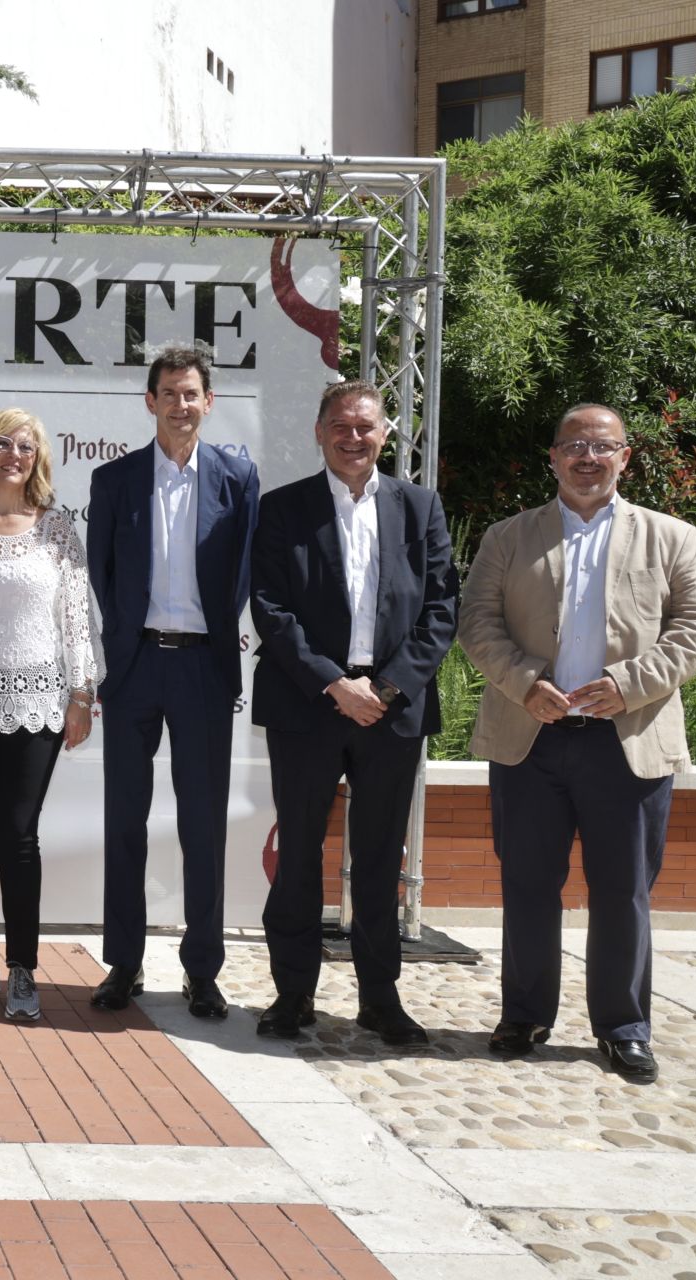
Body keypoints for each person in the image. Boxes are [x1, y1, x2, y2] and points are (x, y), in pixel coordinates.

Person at [458, 403, 696, 1084]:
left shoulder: (675, 538)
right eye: (574, 446)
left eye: (603, 447)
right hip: (531, 736)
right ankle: (524, 1016)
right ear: (553, 457)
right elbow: (476, 622)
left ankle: (623, 1027)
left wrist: (630, 684)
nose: (587, 458)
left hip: (627, 738)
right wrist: (523, 681)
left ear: (626, 457)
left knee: (623, 891)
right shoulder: (509, 537)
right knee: (529, 885)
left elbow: (694, 630)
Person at [249, 381, 457, 1044]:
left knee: (376, 861)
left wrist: (387, 690)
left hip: (391, 714)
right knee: (300, 855)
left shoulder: (419, 508)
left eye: (366, 426)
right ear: (319, 431)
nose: (353, 437)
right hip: (310, 706)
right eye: (340, 425)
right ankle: (293, 995)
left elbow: (440, 610)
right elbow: (271, 609)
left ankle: (379, 998)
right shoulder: (283, 510)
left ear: (386, 434)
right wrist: (335, 685)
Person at [85, 344, 259, 1020]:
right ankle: (123, 964)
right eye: (170, 393)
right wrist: (123, 647)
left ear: (208, 403)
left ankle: (203, 971)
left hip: (203, 668)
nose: (182, 405)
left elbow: (242, 572)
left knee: (202, 827)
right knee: (124, 821)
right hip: (133, 668)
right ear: (150, 401)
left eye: (193, 395)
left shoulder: (237, 481)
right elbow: (103, 576)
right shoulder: (115, 480)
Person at [0, 408, 101, 1022]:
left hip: (37, 703)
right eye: (1, 443)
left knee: (17, 833)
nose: (13, 454)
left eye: (25, 446)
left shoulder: (58, 530)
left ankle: (24, 968)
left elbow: (76, 618)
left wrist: (81, 694)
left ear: (38, 460)